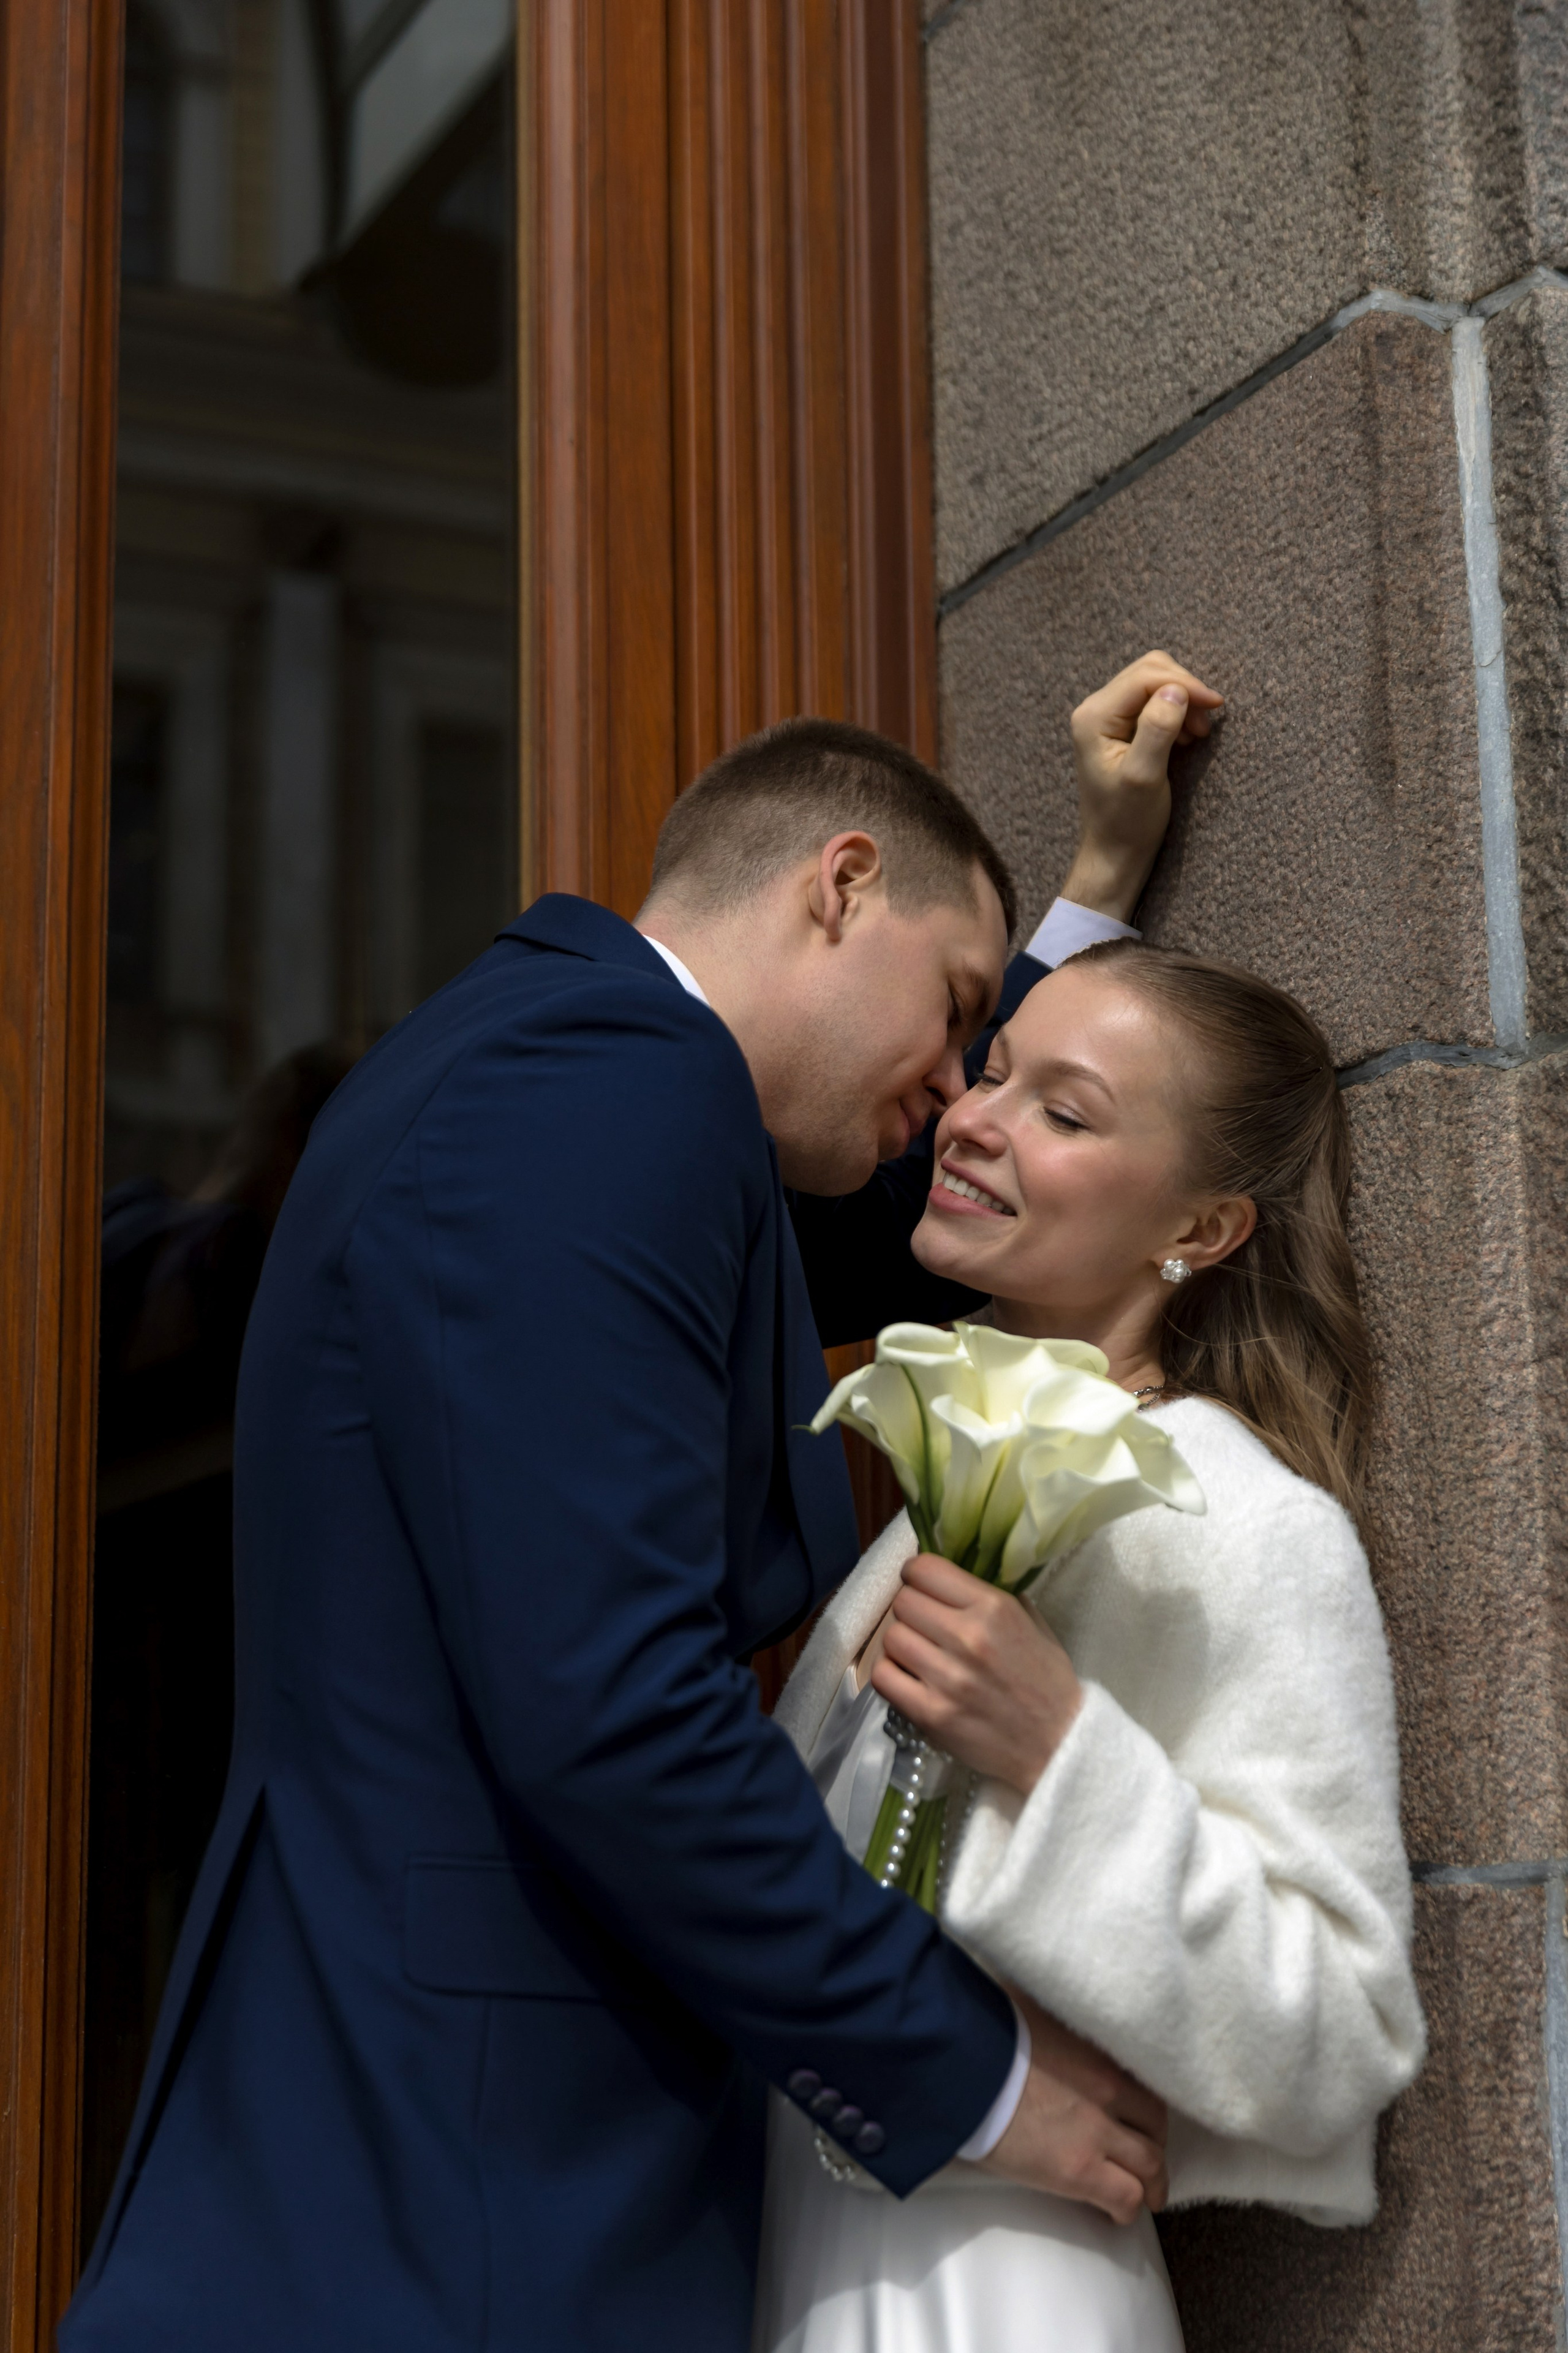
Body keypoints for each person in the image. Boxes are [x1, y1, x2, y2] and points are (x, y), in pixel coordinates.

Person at [62, 655, 1219, 2353]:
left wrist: (1096, 883)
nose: (957, 1087)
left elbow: (917, 1222)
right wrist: (971, 2078)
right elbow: (614, 1703)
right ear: (840, 885)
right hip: (459, 2202)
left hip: (430, 2169)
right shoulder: (601, 1084)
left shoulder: (581, 1080)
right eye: (957, 1010)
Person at [754, 942, 1427, 2353]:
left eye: (1062, 1111)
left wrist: (1062, 1752)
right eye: (992, 1072)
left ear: (1202, 1226)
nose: (972, 1120)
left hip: (1004, 2289)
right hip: (804, 2258)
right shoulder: (925, 1504)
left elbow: (1337, 2033)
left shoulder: (1241, 1520)